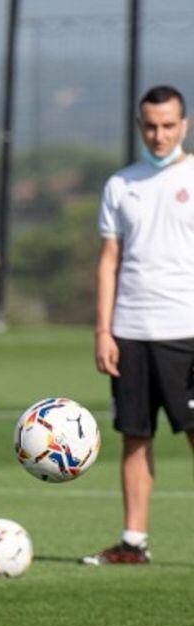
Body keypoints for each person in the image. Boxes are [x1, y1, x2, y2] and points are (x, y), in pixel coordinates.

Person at [84, 84, 194, 566]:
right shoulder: (120, 185)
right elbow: (109, 260)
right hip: (130, 332)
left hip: (186, 332)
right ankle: (133, 542)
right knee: (135, 435)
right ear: (138, 126)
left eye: (168, 125)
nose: (159, 135)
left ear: (184, 125)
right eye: (151, 126)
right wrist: (103, 331)